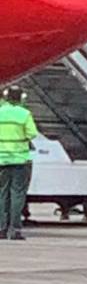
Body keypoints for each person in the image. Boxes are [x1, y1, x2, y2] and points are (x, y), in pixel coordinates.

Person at [0, 86, 39, 240]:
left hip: (1, 159)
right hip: (20, 159)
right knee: (17, 194)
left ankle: (1, 229)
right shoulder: (24, 114)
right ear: (20, 98)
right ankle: (15, 229)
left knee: (2, 194)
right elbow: (32, 134)